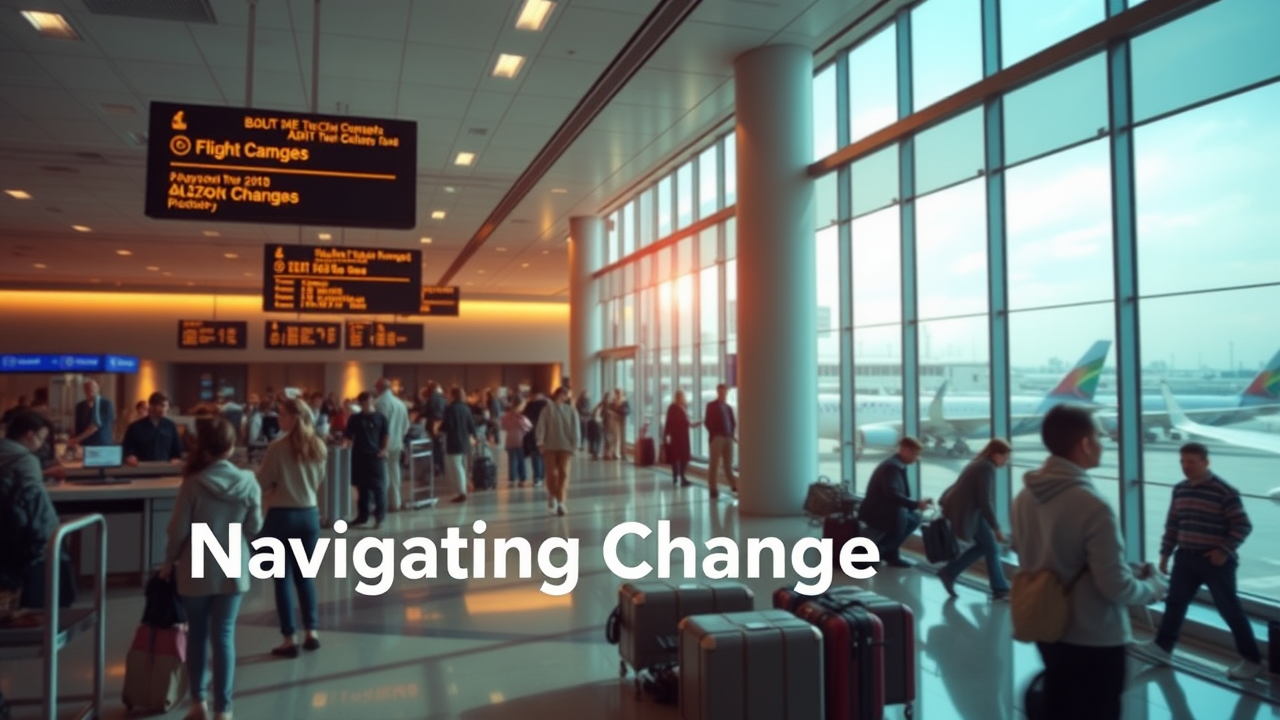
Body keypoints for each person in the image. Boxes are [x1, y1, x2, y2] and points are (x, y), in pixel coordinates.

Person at [1011, 404, 1166, 720]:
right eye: (1098, 435)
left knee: (1059, 706)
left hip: (1047, 628)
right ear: (1084, 444)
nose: (1104, 441)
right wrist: (1151, 588)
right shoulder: (1092, 504)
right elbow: (1115, 587)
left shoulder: (1024, 497)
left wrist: (1123, 567)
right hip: (1094, 637)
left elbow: (1041, 556)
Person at [1132, 442, 1262, 680]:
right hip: (1186, 557)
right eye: (1182, 462)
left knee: (1230, 610)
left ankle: (1252, 660)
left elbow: (1243, 525)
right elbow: (1173, 523)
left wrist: (1223, 551)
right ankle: (1163, 648)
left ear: (1206, 462)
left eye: (1191, 462)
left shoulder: (1225, 491)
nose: (1186, 467)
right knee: (1175, 604)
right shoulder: (1180, 490)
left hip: (1215, 562)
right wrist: (1165, 554)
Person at [160, 417, 262, 720]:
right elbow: (255, 526)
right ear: (231, 447)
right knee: (224, 635)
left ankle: (198, 704)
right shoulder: (248, 481)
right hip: (231, 559)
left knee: (197, 634)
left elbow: (178, 530)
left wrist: (168, 563)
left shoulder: (192, 483)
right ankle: (224, 709)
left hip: (197, 561)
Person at [256, 398, 325, 658]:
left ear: (293, 417)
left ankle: (289, 638)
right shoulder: (318, 445)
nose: (278, 418)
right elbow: (318, 480)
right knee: (305, 576)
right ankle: (312, 632)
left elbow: (263, 482)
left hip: (281, 516)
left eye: (282, 413)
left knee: (282, 579)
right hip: (309, 515)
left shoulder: (277, 448)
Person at [937, 438, 1013, 600]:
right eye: (1005, 457)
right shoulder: (986, 468)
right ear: (995, 454)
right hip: (969, 512)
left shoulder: (978, 463)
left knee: (984, 546)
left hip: (966, 510)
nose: (1006, 461)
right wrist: (996, 528)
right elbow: (985, 500)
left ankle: (949, 572)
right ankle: (1000, 588)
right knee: (991, 547)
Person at [0, 411, 60, 607]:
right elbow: (34, 500)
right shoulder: (26, 460)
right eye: (41, 438)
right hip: (15, 536)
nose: (42, 444)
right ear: (29, 435)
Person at [859, 437, 931, 567]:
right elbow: (892, 494)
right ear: (904, 450)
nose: (917, 458)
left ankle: (888, 553)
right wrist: (916, 504)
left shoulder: (894, 464)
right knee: (909, 521)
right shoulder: (891, 468)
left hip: (884, 510)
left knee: (913, 518)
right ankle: (881, 553)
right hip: (882, 513)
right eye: (914, 454)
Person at [343, 392, 389, 529]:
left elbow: (385, 435)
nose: (366, 404)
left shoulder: (381, 418)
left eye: (368, 401)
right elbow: (348, 436)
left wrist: (383, 449)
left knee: (378, 487)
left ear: (372, 401)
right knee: (361, 488)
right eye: (363, 402)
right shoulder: (355, 418)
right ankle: (362, 516)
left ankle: (380, 517)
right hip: (359, 456)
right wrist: (345, 446)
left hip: (374, 456)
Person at [537, 387, 581, 516]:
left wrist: (575, 444)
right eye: (564, 394)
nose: (566, 397)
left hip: (566, 446)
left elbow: (575, 428)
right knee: (551, 474)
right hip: (550, 446)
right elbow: (542, 426)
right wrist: (540, 441)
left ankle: (561, 501)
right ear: (559, 394)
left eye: (567, 395)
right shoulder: (547, 410)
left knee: (564, 473)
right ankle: (552, 495)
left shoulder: (571, 411)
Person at [374, 378, 410, 511]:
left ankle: (382, 503)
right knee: (395, 473)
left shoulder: (378, 403)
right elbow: (406, 426)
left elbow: (378, 427)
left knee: (383, 475)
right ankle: (395, 502)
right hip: (397, 444)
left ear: (379, 388)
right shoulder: (400, 404)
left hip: (382, 445)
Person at [121, 392, 185, 466]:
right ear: (152, 406)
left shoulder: (170, 426)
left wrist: (176, 458)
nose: (166, 409)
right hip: (142, 469)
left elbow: (177, 449)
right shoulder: (135, 427)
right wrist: (130, 457)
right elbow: (127, 449)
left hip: (165, 469)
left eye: (167, 406)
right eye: (163, 406)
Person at [441, 386, 478, 503]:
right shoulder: (466, 408)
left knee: (456, 467)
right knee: (461, 466)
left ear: (452, 395)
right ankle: (462, 489)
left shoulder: (450, 409)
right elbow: (471, 425)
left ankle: (462, 492)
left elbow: (447, 426)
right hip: (464, 441)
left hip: (453, 441)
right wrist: (475, 436)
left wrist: (438, 429)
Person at [703, 384, 739, 498]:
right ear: (718, 392)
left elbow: (732, 422)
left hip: (728, 437)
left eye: (724, 391)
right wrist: (713, 434)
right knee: (714, 463)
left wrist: (732, 435)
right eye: (721, 391)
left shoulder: (728, 408)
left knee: (728, 464)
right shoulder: (711, 405)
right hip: (717, 437)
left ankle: (734, 485)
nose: (723, 393)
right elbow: (707, 421)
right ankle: (713, 488)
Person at [663, 390, 700, 487]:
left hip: (683, 435)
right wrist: (666, 435)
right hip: (677, 436)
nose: (683, 397)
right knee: (677, 457)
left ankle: (680, 476)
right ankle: (678, 476)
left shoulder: (683, 407)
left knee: (683, 457)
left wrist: (695, 424)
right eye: (681, 396)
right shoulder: (673, 407)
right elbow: (669, 422)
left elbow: (687, 422)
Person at [69, 379, 114, 448]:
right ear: (84, 390)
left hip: (101, 444)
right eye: (87, 388)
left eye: (93, 387)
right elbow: (78, 426)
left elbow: (95, 426)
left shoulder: (106, 404)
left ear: (98, 388)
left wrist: (77, 439)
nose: (90, 389)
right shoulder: (80, 406)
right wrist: (76, 440)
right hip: (85, 445)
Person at [501, 399, 533, 487]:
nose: (524, 407)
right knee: (521, 461)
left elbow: (504, 426)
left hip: (510, 441)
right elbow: (529, 426)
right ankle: (522, 479)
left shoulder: (507, 416)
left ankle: (512, 479)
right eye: (523, 405)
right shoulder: (521, 416)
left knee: (512, 461)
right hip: (521, 441)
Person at [522, 387, 550, 486]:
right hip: (544, 434)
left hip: (532, 434)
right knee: (542, 456)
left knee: (536, 456)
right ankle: (541, 476)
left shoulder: (529, 405)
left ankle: (538, 477)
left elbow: (524, 418)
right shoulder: (547, 405)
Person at [602, 388, 630, 460]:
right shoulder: (614, 401)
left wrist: (617, 410)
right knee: (616, 437)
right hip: (614, 420)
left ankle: (620, 452)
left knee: (621, 437)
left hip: (621, 421)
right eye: (616, 393)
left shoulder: (624, 401)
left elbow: (627, 410)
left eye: (618, 393)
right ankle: (615, 452)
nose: (617, 395)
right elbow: (608, 409)